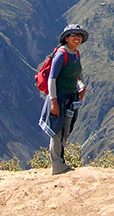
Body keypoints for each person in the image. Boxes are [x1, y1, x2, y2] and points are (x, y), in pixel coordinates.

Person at [38, 23, 88, 174]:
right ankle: (57, 166)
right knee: (57, 131)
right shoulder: (61, 55)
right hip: (59, 97)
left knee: (66, 129)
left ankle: (61, 162)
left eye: (79, 35)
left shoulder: (75, 54)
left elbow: (78, 74)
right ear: (66, 38)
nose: (77, 38)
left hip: (71, 97)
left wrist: (81, 85)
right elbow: (52, 79)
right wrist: (53, 102)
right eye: (74, 35)